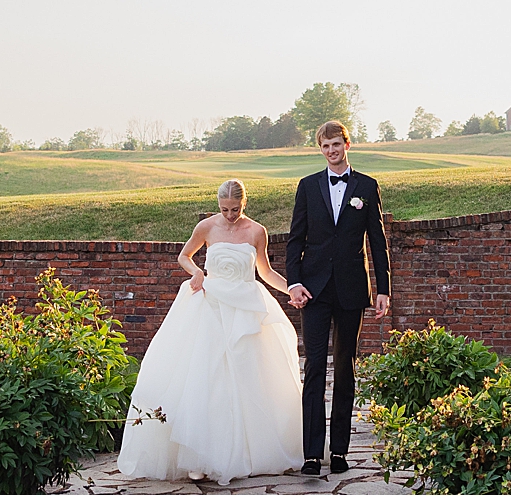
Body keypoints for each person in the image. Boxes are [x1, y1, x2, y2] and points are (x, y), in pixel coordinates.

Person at [117, 179, 305, 482]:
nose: (229, 215)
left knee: (247, 379)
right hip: (211, 306)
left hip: (244, 308)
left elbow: (265, 272)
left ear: (244, 204)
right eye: (224, 209)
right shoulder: (206, 227)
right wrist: (198, 272)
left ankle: (250, 451)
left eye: (235, 209)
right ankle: (200, 455)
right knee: (207, 377)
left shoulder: (257, 231)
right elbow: (184, 256)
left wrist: (291, 290)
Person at [286, 119, 391, 476]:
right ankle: (312, 453)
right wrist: (293, 283)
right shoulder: (307, 187)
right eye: (325, 146)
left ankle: (341, 450)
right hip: (313, 290)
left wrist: (383, 289)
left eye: (336, 144)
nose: (331, 151)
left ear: (347, 144)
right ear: (320, 149)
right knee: (314, 368)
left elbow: (377, 241)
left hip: (350, 289)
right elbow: (295, 240)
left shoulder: (366, 186)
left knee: (345, 368)